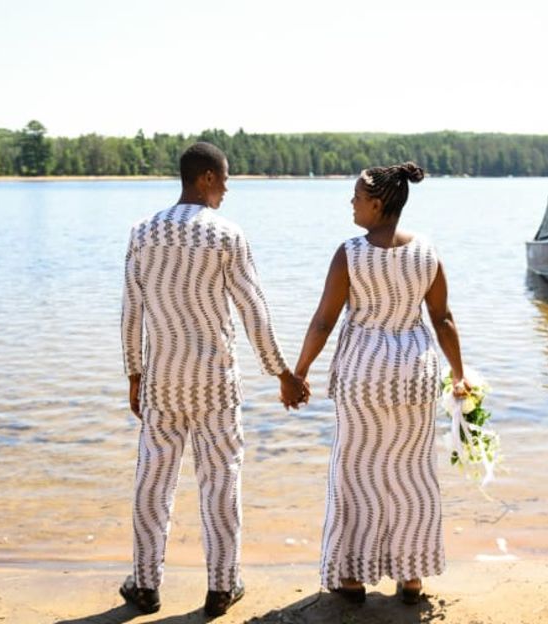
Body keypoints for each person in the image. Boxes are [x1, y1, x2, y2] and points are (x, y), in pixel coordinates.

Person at [119, 141, 308, 617]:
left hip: (163, 382)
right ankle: (221, 588)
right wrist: (281, 372)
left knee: (151, 484)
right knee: (220, 484)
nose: (226, 188)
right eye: (224, 178)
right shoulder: (226, 235)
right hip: (214, 385)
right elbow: (253, 311)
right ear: (205, 177)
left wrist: (134, 374)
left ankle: (145, 586)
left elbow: (130, 313)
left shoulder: (143, 232)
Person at [292, 162, 471, 604]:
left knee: (355, 474)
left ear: (376, 204)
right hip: (415, 375)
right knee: (411, 474)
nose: (350, 204)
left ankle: (352, 577)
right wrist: (459, 373)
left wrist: (299, 372)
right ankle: (411, 578)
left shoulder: (350, 253)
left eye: (356, 197)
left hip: (364, 376)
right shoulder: (427, 251)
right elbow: (442, 318)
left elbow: (324, 320)